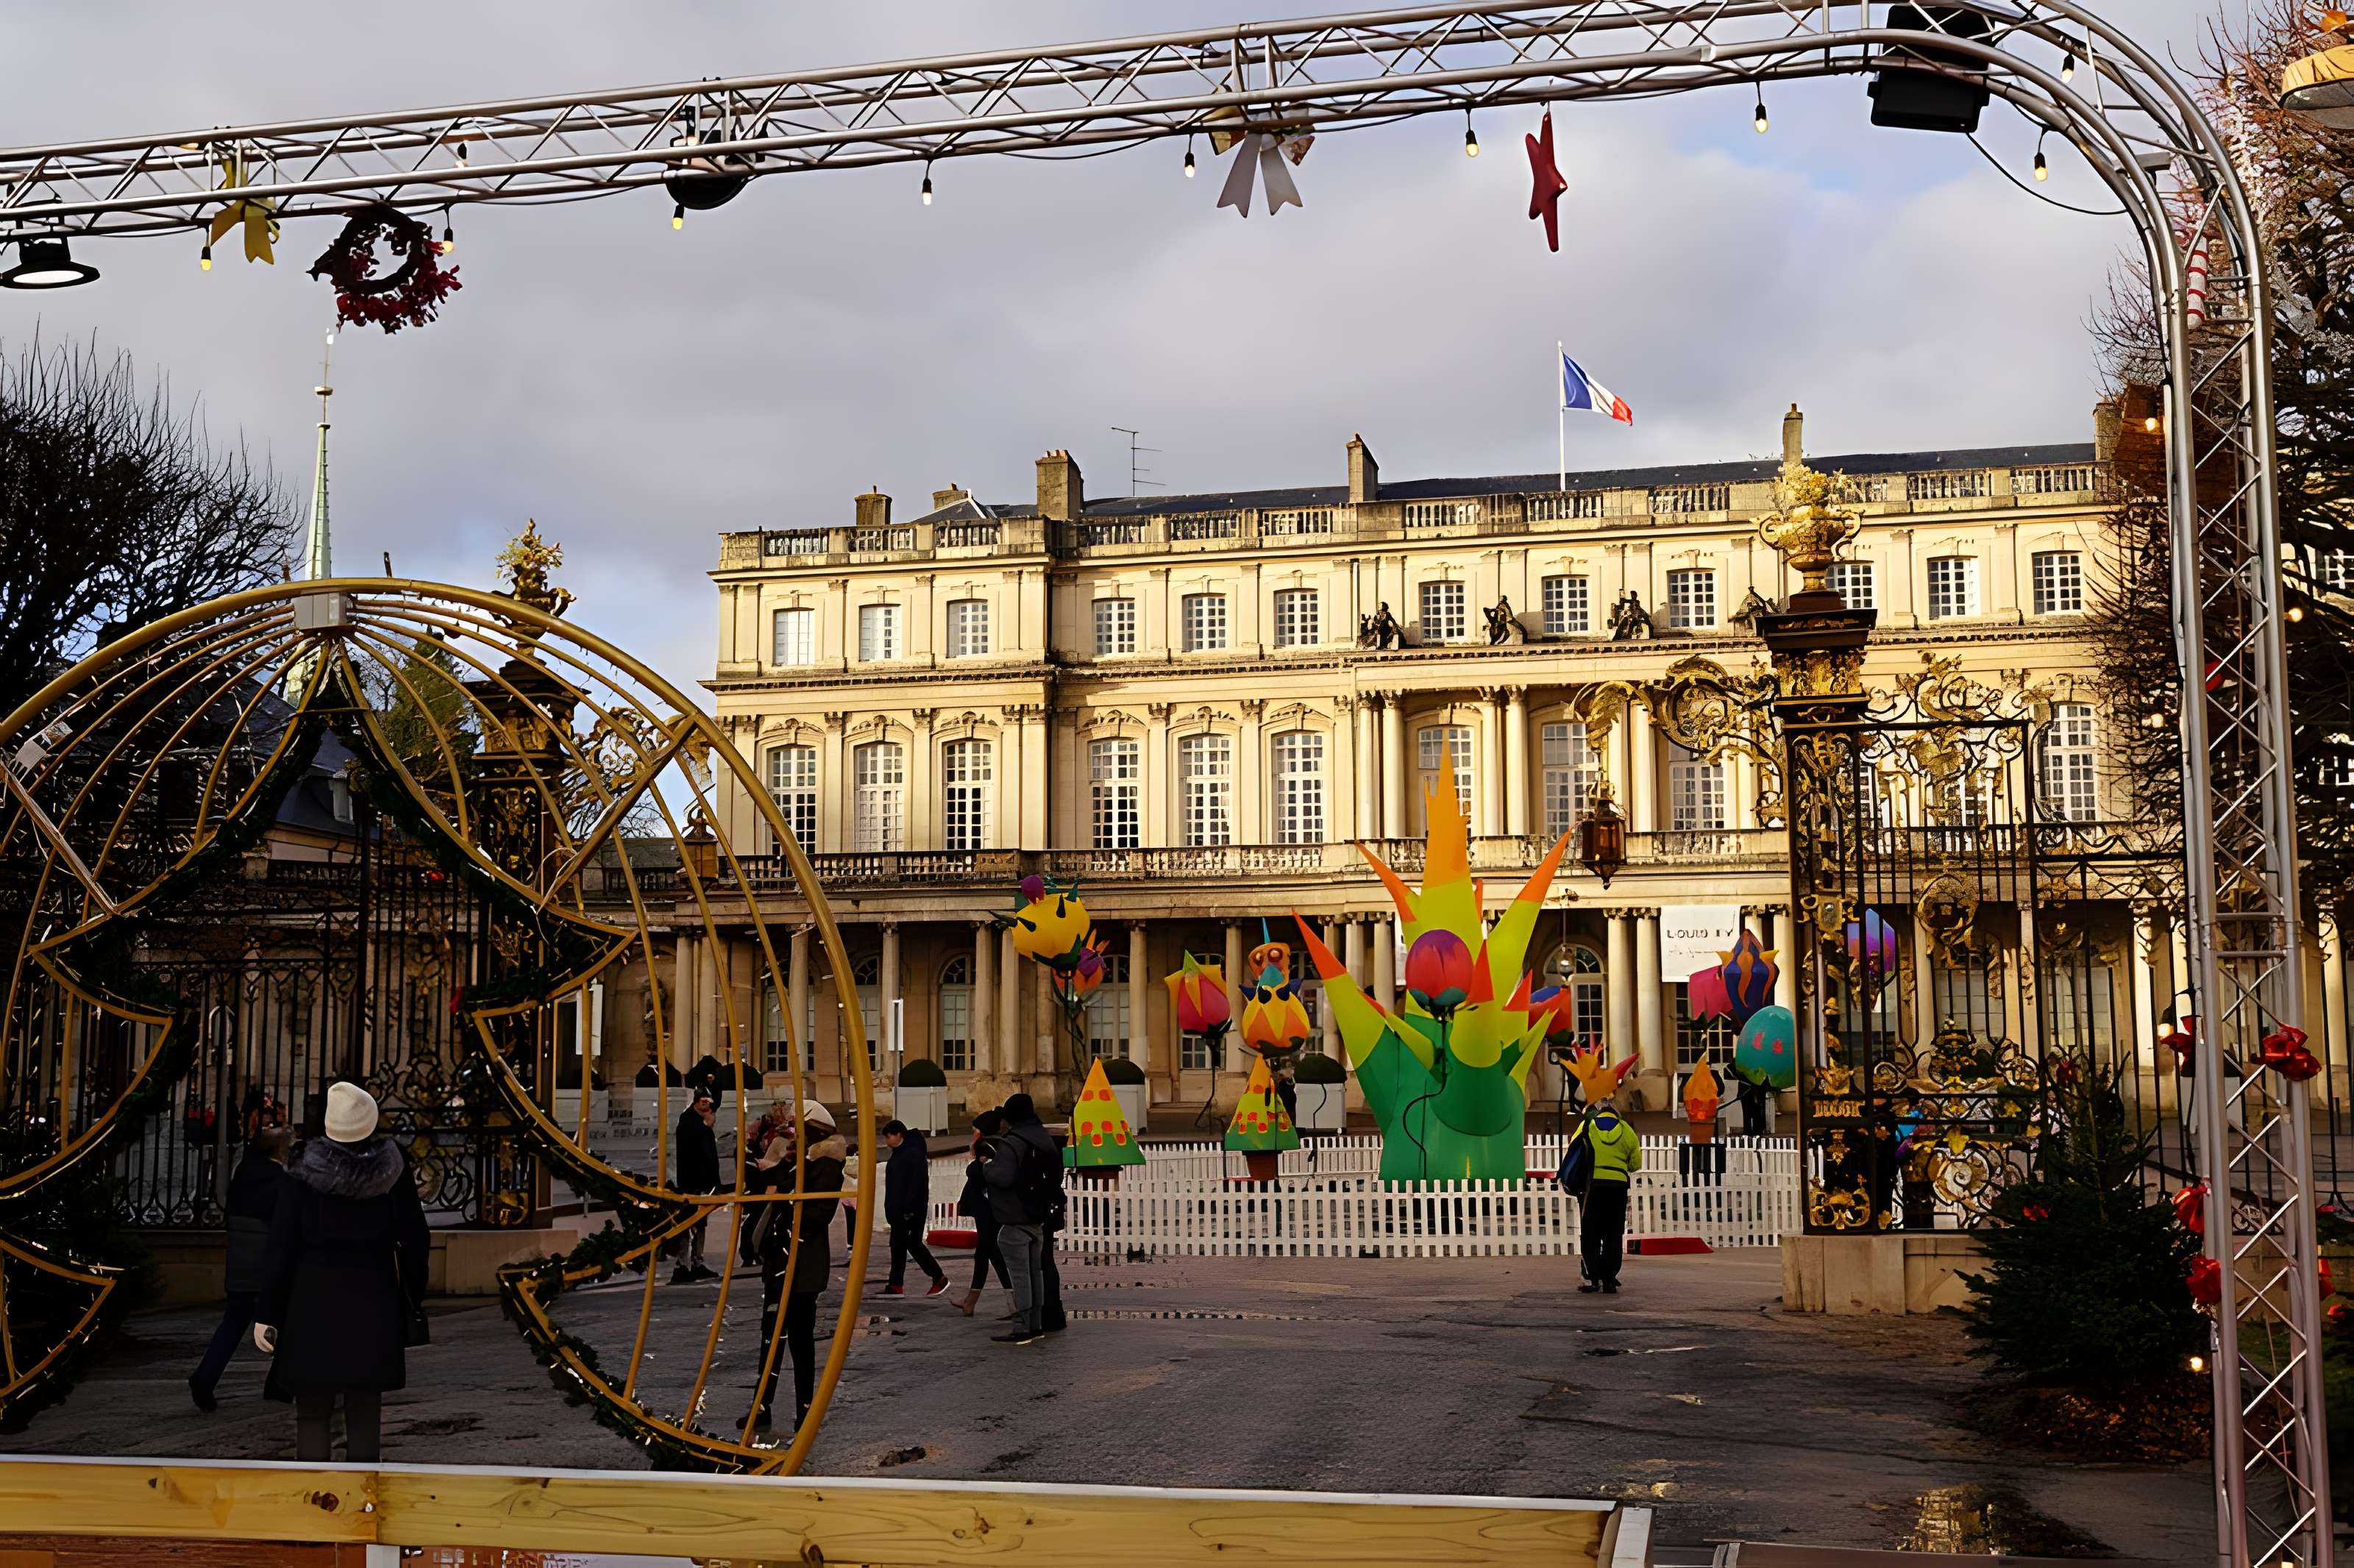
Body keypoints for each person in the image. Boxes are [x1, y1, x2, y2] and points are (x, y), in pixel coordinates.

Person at [255, 1082, 430, 1461]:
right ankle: (362, 1494)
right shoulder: (393, 1166)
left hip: (312, 1299)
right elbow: (416, 1239)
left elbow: (281, 1246)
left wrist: (268, 1311)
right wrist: (413, 1294)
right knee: (365, 1413)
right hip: (373, 1298)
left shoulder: (302, 1168)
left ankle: (315, 1495)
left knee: (312, 1413)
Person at [753, 1100, 845, 1431]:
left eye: (797, 1129)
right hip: (781, 1261)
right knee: (770, 1338)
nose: (793, 1135)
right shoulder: (799, 1161)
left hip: (803, 1264)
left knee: (800, 1342)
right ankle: (761, 1407)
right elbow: (774, 1183)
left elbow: (818, 1214)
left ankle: (805, 1410)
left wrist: (789, 1220)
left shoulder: (826, 1165)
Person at [189, 1125, 293, 1412]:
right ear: (280, 1151)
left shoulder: (243, 1175)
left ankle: (205, 1376)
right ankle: (278, 1384)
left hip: (240, 1264)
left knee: (233, 1323)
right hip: (269, 1265)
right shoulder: (280, 1182)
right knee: (286, 1321)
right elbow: (285, 1226)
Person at [981, 1092, 1063, 1344]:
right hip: (1038, 1216)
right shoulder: (1045, 1139)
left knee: (1019, 1276)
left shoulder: (1014, 1142)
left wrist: (986, 1166)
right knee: (1036, 1273)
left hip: (1015, 1215)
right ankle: (1036, 1324)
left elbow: (1002, 1176)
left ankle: (1022, 1326)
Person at [1568, 1094, 1641, 1294]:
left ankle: (1594, 1277)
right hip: (1617, 1187)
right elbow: (1636, 1164)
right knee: (1613, 1233)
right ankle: (1609, 1279)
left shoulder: (1587, 1127)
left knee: (1590, 1233)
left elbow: (1573, 1151)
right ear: (1616, 1114)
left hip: (1592, 1186)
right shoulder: (1626, 1130)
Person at [955, 1111, 1014, 1316]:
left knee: (991, 1252)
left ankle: (1013, 1300)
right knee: (984, 1253)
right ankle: (971, 1301)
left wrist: (973, 1167)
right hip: (991, 1206)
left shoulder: (985, 1146)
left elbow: (982, 1174)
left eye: (975, 1131)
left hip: (987, 1207)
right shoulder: (1001, 1144)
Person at [881, 1119, 948, 1297]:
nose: (887, 1141)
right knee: (900, 1245)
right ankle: (896, 1284)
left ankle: (937, 1276)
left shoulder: (911, 1154)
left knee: (910, 1244)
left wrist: (908, 1209)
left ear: (899, 1135)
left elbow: (915, 1185)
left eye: (888, 1136)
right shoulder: (902, 1152)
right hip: (901, 1210)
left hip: (909, 1210)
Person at [672, 1088, 721, 1283]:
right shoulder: (689, 1122)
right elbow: (700, 1152)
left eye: (709, 1102)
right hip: (692, 1182)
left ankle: (696, 1262)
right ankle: (683, 1265)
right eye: (703, 1102)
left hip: (699, 1182)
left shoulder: (695, 1121)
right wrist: (707, 1127)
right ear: (696, 1102)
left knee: (699, 1223)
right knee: (689, 1223)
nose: (707, 1105)